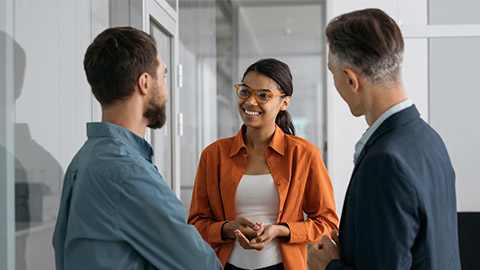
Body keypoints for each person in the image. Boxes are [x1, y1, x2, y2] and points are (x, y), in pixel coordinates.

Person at [52, 27, 222, 270]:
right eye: (162, 77)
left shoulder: (83, 160)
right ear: (144, 83)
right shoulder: (128, 172)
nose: (165, 90)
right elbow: (202, 266)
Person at [307, 8, 461, 270]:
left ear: (350, 79)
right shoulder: (430, 139)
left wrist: (328, 267)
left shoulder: (385, 162)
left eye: (333, 73)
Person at [188, 58, 339, 270]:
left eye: (263, 95)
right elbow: (195, 224)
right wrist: (228, 229)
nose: (250, 102)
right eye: (245, 92)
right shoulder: (213, 155)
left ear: (284, 102)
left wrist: (280, 230)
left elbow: (327, 224)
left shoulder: (304, 154)